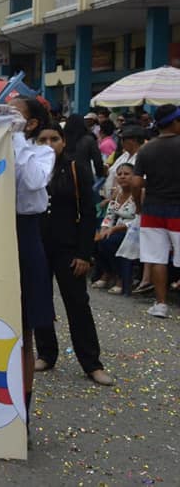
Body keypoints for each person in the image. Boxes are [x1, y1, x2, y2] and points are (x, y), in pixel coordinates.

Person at [32, 126, 113, 385]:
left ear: (64, 141)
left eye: (54, 139)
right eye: (42, 139)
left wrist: (84, 254)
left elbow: (88, 212)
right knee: (40, 302)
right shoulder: (30, 168)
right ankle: (46, 353)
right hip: (37, 247)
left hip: (69, 249)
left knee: (78, 304)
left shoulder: (76, 168)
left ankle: (92, 363)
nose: (49, 144)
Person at [0, 97, 56, 435]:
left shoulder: (41, 152)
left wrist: (16, 137)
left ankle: (22, 417)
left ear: (31, 124)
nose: (7, 116)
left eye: (15, 113)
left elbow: (33, 181)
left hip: (25, 235)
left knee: (24, 332)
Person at [131, 104, 180, 318]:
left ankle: (161, 304)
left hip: (152, 209)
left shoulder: (146, 149)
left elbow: (136, 183)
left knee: (157, 258)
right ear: (175, 122)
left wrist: (139, 206)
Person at [94, 163, 138, 294]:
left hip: (133, 232)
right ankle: (108, 272)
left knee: (109, 242)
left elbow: (138, 220)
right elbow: (109, 215)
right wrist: (104, 229)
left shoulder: (138, 194)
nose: (122, 176)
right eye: (119, 174)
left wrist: (114, 229)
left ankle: (120, 278)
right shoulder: (117, 194)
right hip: (116, 229)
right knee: (95, 240)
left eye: (126, 174)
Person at [63, 114, 105, 181]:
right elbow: (97, 160)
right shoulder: (89, 140)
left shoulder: (63, 140)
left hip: (65, 176)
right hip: (85, 176)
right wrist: (100, 174)